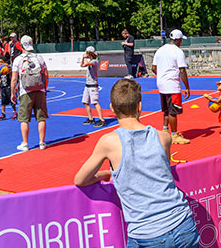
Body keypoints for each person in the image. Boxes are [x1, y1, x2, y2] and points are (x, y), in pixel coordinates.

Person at [74, 78, 200, 247]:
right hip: (184, 224)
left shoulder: (109, 142)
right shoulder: (163, 138)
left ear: (112, 108)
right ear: (139, 106)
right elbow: (159, 168)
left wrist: (105, 174)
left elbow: (80, 179)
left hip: (147, 233)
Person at [152, 29, 191, 145]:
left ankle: (165, 130)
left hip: (161, 83)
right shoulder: (178, 52)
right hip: (172, 84)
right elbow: (182, 70)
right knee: (173, 111)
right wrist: (187, 87)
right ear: (178, 40)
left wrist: (162, 75)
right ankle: (174, 135)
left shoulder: (160, 50)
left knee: (166, 109)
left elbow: (154, 68)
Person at [11, 35, 49, 151]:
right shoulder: (39, 57)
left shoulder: (18, 59)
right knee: (41, 118)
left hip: (25, 91)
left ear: (21, 45)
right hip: (40, 89)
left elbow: (14, 79)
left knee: (24, 118)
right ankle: (42, 142)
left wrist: (13, 93)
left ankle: (25, 143)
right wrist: (44, 88)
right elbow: (46, 74)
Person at [80, 46, 106, 127]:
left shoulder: (95, 61)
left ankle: (102, 120)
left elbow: (87, 63)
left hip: (93, 85)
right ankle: (91, 118)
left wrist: (85, 57)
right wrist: (83, 58)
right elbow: (82, 65)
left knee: (95, 102)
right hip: (87, 85)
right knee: (85, 102)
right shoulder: (91, 61)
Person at [0, 56, 17, 120]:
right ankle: (3, 113)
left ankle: (14, 112)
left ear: (5, 62)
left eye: (1, 62)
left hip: (8, 87)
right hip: (3, 87)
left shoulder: (7, 69)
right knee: (3, 101)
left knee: (11, 100)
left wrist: (10, 70)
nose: (0, 63)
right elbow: (1, 79)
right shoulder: (1, 70)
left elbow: (12, 78)